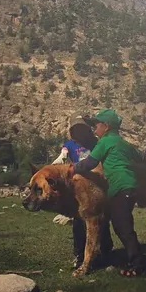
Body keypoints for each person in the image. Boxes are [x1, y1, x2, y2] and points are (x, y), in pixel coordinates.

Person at [69, 108, 146, 277]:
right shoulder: (123, 143)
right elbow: (142, 156)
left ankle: (137, 264)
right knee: (120, 225)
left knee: (123, 228)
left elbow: (90, 163)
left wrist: (71, 169)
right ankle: (128, 260)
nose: (94, 129)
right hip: (128, 187)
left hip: (120, 188)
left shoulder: (104, 142)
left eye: (96, 125)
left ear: (106, 126)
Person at [52, 113, 114, 270]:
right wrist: (62, 156)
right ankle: (79, 255)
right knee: (79, 222)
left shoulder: (96, 143)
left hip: (97, 186)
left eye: (82, 128)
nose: (80, 132)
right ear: (72, 130)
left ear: (87, 129)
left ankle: (105, 251)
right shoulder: (70, 144)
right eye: (76, 128)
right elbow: (64, 152)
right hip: (79, 190)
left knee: (101, 220)